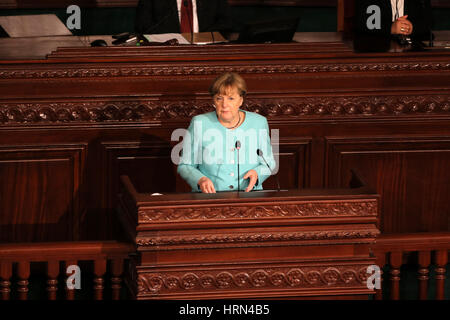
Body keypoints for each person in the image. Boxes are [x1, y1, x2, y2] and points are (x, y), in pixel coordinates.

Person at [177, 72, 276, 193]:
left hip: (249, 197)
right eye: (219, 98)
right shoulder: (199, 123)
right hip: (210, 198)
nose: (225, 105)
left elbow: (269, 163)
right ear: (213, 101)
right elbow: (185, 165)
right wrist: (200, 179)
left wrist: (258, 174)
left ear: (240, 100)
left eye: (231, 98)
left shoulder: (258, 123)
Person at [135, 0, 232, 35]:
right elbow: (143, 27)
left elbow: (227, 23)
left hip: (207, 54)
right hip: (166, 55)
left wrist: (203, 39)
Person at [355, 0, 433, 41]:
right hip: (378, 51)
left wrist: (412, 27)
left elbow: (428, 22)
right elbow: (365, 23)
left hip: (413, 53)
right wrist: (390, 28)